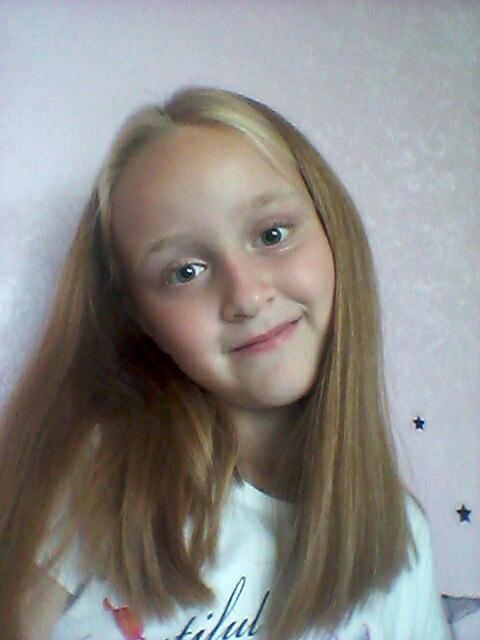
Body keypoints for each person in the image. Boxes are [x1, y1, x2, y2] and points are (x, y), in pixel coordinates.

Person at [0, 87, 451, 640]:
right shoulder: (98, 477)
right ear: (141, 319)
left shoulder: (401, 539)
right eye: (185, 272)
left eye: (272, 235)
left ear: (333, 231)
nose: (247, 296)